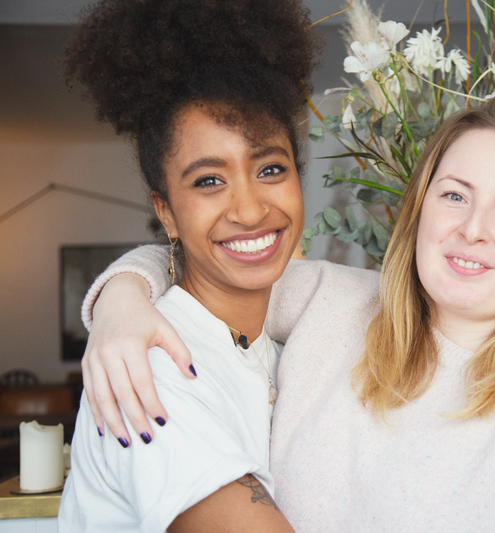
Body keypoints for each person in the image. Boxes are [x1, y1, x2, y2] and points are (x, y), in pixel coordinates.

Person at [80, 95, 495, 531]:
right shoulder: (333, 302)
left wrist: (120, 300)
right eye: (454, 195)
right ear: (418, 210)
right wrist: (122, 299)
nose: (473, 229)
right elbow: (217, 258)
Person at [57, 0, 321, 531]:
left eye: (270, 168)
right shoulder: (149, 366)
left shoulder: (286, 339)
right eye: (208, 180)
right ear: (166, 212)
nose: (250, 210)